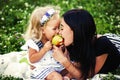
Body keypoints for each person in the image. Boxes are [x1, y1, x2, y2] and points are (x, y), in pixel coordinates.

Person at [52, 8, 120, 80]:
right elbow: (75, 67)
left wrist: (64, 60)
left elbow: (86, 75)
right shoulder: (73, 42)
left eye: (62, 29)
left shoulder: (102, 45)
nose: (59, 32)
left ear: (76, 30)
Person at [22, 6, 67, 80]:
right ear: (42, 30)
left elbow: (63, 56)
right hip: (44, 70)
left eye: (59, 27)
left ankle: (65, 77)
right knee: (56, 77)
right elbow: (32, 59)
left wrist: (62, 49)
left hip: (57, 67)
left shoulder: (56, 38)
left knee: (72, 68)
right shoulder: (35, 42)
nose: (58, 31)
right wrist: (44, 49)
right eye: (54, 28)